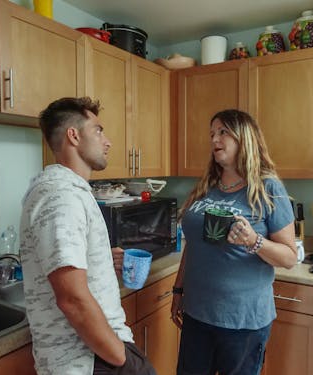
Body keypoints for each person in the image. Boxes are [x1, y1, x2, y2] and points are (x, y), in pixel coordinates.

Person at [19, 97, 156, 375]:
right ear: (74, 135)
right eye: (98, 130)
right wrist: (121, 358)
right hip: (88, 360)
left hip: (95, 354)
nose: (107, 141)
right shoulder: (60, 195)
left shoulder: (71, 191)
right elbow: (72, 299)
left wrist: (103, 261)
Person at [171, 109, 298, 375]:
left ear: (245, 138)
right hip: (197, 313)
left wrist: (254, 241)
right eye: (212, 134)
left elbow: (289, 257)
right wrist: (178, 290)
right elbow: (194, 245)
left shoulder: (268, 188)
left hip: (243, 322)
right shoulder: (207, 186)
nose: (214, 139)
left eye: (223, 132)